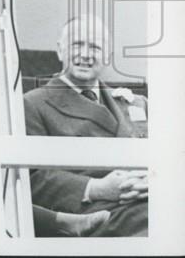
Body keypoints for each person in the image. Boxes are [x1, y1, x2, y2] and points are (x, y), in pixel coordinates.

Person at [24, 14, 148, 237]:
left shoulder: (135, 103)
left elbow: (171, 155)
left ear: (107, 57)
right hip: (90, 214)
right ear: (60, 50)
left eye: (95, 47)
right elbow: (31, 178)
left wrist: (152, 180)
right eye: (77, 44)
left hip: (144, 199)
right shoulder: (33, 103)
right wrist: (97, 188)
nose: (85, 54)